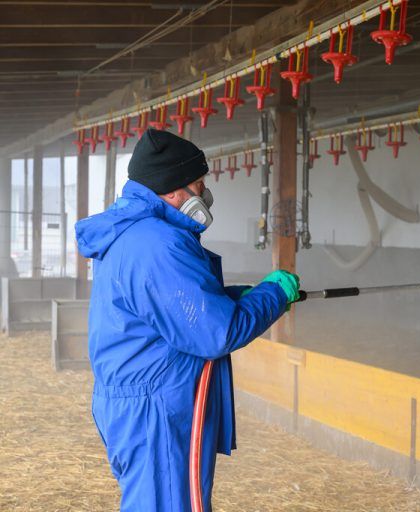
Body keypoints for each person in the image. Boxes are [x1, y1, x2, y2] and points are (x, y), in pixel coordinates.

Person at [75, 128, 300, 511]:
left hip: (139, 400)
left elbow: (168, 308)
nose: (204, 195)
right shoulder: (158, 244)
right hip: (158, 409)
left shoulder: (134, 233)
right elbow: (217, 332)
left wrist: (232, 297)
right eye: (198, 185)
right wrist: (275, 295)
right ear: (173, 190)